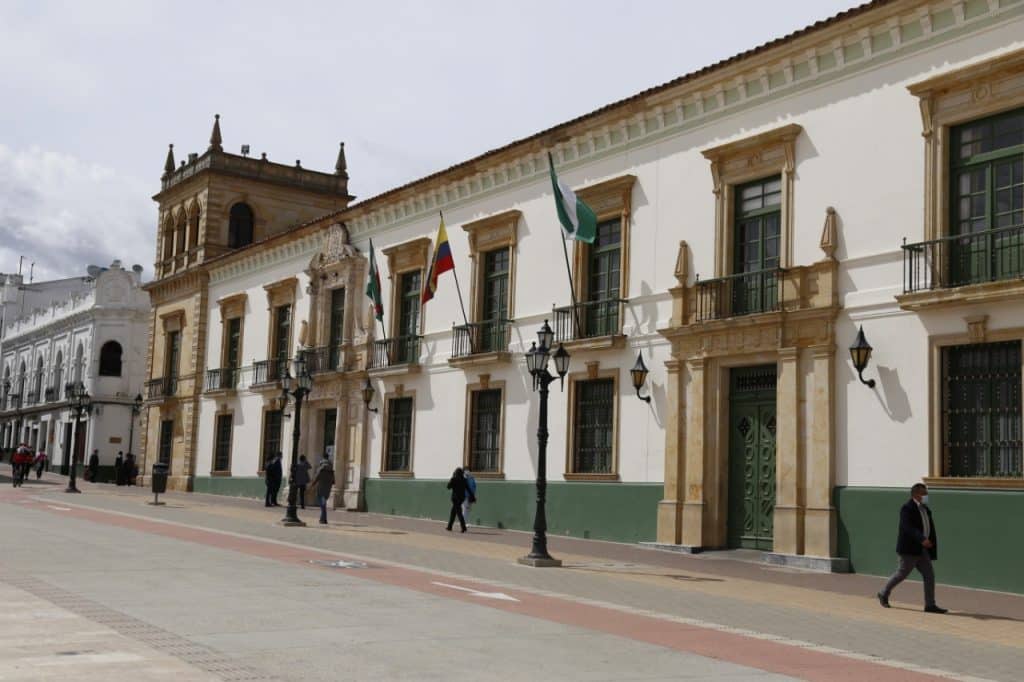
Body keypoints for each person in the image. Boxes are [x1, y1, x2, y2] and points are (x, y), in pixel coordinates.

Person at [877, 483, 947, 613]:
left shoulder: (925, 509)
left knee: (929, 575)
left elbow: (928, 526)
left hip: (923, 550)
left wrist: (929, 541)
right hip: (909, 549)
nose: (926, 496)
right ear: (916, 495)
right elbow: (907, 527)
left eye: (926, 493)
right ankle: (883, 593)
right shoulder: (907, 508)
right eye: (924, 493)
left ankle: (930, 605)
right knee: (901, 574)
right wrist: (922, 539)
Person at [310, 453, 335, 525]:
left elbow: (317, 477)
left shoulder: (321, 467)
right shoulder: (331, 467)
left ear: (323, 458)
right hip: (328, 487)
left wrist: (312, 484)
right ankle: (322, 518)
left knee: (322, 502)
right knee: (323, 502)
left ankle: (324, 518)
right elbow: (333, 480)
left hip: (321, 487)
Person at [445, 467, 468, 533]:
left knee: (459, 513)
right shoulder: (464, 480)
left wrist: (452, 478)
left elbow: (448, 487)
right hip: (461, 498)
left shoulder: (454, 479)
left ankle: (463, 527)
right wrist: (472, 496)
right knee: (453, 512)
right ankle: (449, 526)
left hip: (455, 498)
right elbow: (468, 488)